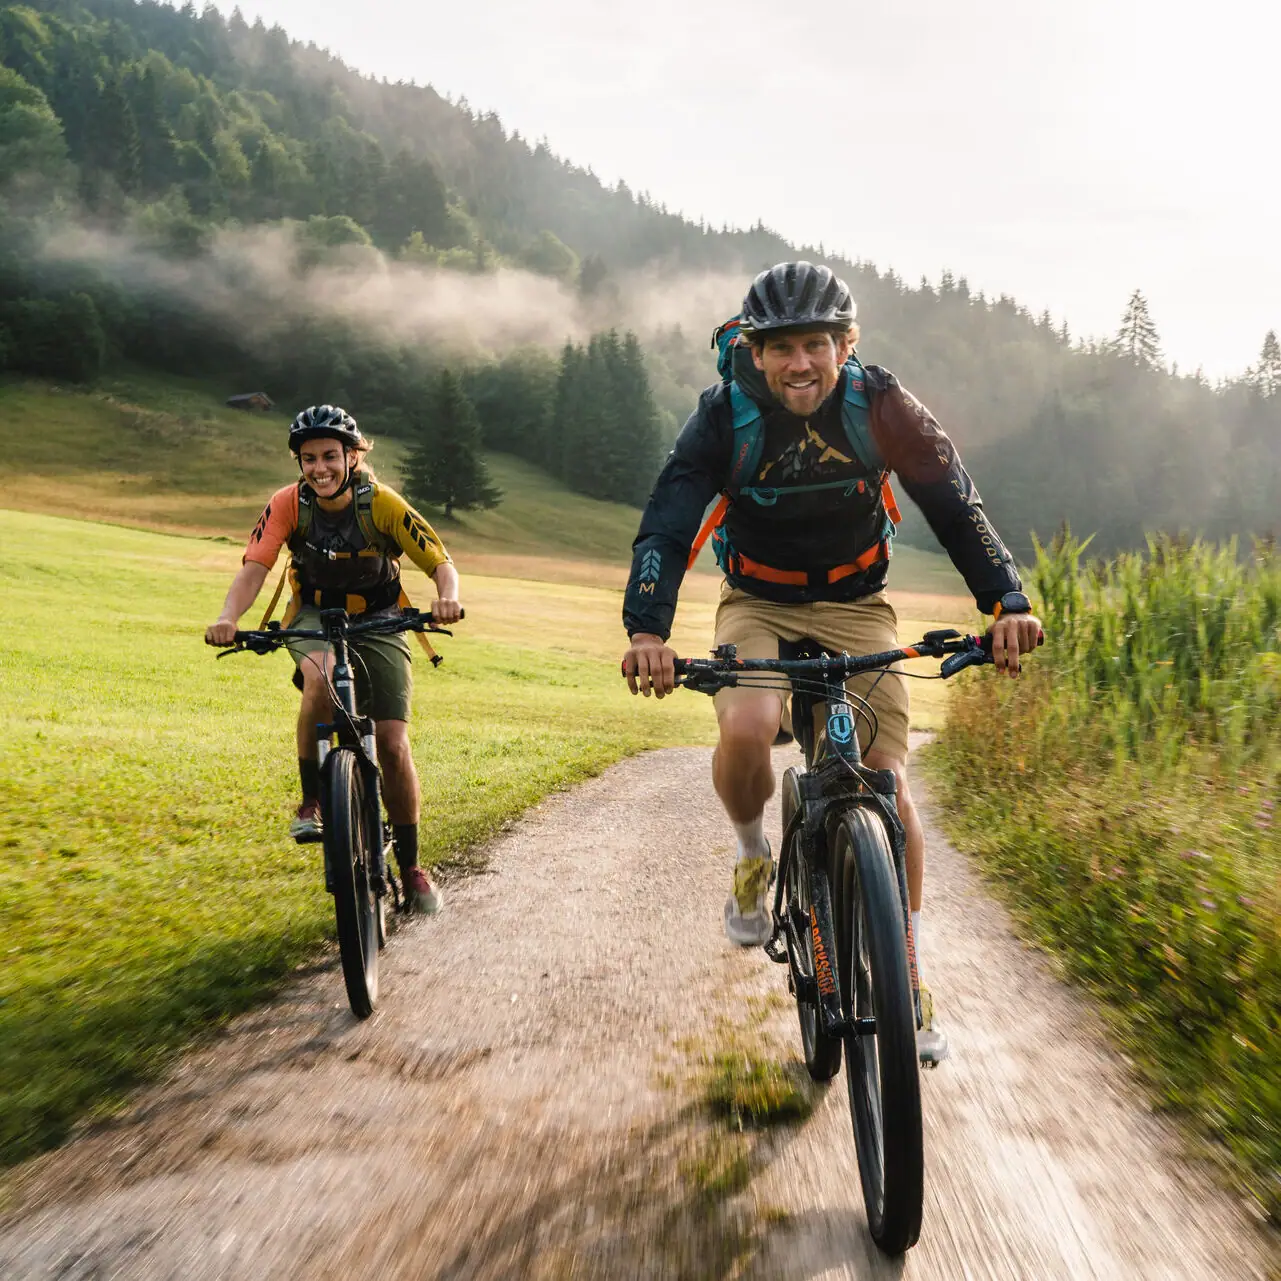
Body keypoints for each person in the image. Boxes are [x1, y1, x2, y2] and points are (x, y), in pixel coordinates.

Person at [620, 262, 1042, 1060]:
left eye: (814, 344)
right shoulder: (723, 415)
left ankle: (905, 973)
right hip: (757, 601)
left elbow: (955, 503)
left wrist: (1006, 602)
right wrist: (647, 628)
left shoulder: (879, 405)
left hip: (858, 604)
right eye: (780, 348)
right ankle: (751, 854)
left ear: (845, 344)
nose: (799, 363)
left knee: (887, 778)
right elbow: (668, 519)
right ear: (754, 349)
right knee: (749, 723)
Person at [204, 404, 462, 914]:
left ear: (352, 455)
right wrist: (228, 616)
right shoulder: (287, 504)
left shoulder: (382, 503)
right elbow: (255, 566)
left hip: (381, 618)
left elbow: (438, 559)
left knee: (390, 741)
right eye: (307, 459)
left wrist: (447, 597)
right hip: (313, 618)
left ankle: (410, 867)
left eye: (328, 456)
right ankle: (312, 801)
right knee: (319, 679)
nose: (318, 468)